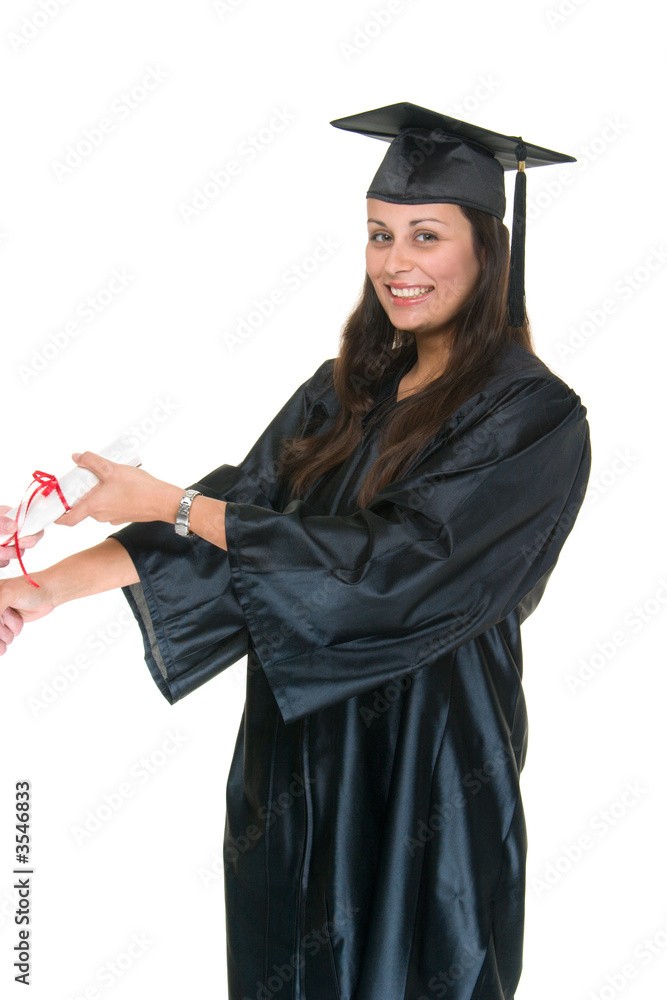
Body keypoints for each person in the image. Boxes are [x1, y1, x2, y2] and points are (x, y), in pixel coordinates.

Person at [0, 103, 591, 1000]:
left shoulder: (531, 415)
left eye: (425, 236)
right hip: (299, 743)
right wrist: (41, 588)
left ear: (486, 250)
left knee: (415, 968)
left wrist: (173, 501)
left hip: (428, 753)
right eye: (379, 234)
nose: (395, 263)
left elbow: (389, 569)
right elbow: (241, 519)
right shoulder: (345, 388)